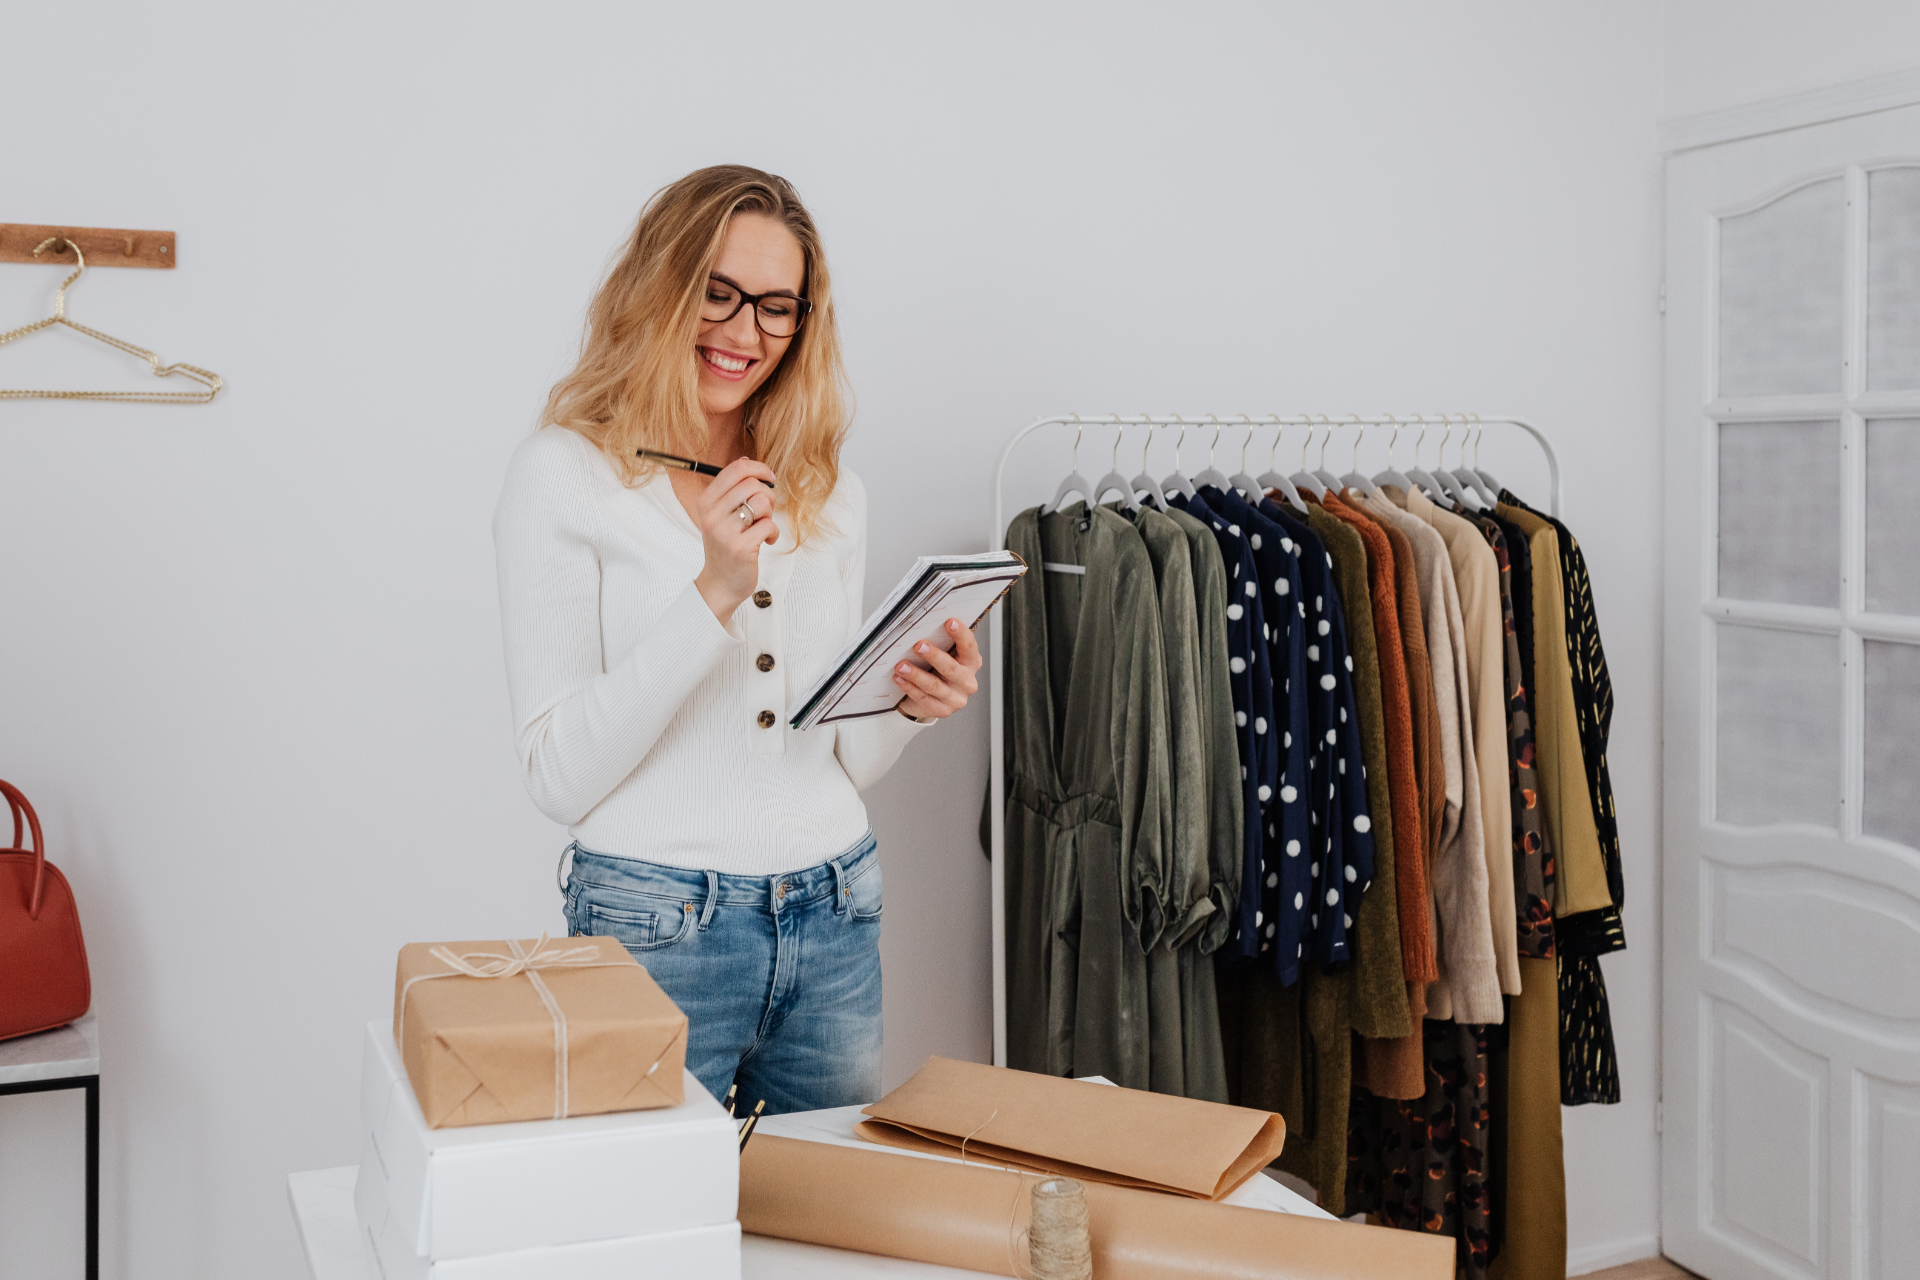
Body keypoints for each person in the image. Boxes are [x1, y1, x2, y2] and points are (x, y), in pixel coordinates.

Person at [492, 165, 979, 1114]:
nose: (745, 333)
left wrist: (910, 702)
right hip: (656, 924)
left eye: (777, 307)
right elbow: (556, 775)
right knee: (652, 1240)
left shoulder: (826, 486)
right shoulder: (562, 475)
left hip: (837, 908)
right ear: (659, 288)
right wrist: (712, 589)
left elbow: (834, 754)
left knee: (823, 1241)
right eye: (717, 294)